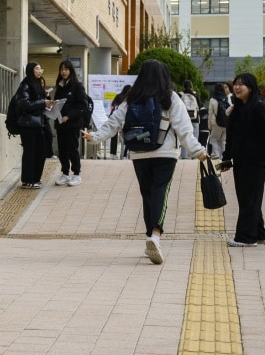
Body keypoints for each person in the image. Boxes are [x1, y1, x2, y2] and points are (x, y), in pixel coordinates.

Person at [83, 60, 207, 265]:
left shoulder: (133, 98)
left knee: (147, 194)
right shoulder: (170, 97)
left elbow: (113, 123)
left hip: (139, 154)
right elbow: (184, 128)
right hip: (165, 153)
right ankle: (155, 236)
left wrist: (94, 137)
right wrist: (198, 151)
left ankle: (151, 235)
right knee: (160, 192)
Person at [218, 72, 265, 247]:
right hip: (241, 160)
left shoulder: (259, 107)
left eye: (242, 85)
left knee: (249, 199)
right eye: (236, 84)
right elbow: (231, 138)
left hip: (256, 161)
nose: (237, 87)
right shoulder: (237, 109)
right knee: (248, 198)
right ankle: (259, 233)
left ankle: (246, 237)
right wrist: (226, 159)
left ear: (251, 88)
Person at [14, 62, 53, 188]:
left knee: (41, 152)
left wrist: (46, 100)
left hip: (38, 124)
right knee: (30, 152)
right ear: (31, 70)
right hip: (28, 124)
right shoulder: (25, 85)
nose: (40, 70)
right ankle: (27, 180)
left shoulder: (37, 84)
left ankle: (35, 178)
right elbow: (24, 104)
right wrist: (43, 103)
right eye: (37, 68)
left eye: (40, 68)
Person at [53, 58, 87, 186]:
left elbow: (82, 106)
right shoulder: (60, 86)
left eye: (66, 69)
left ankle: (76, 174)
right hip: (60, 123)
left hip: (72, 124)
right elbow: (58, 104)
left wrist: (69, 116)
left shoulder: (77, 86)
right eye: (61, 69)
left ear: (71, 70)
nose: (63, 72)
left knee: (72, 148)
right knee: (62, 150)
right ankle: (65, 173)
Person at [207, 82, 230, 159]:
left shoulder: (213, 99)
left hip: (216, 123)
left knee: (214, 138)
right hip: (226, 122)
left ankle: (216, 154)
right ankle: (223, 156)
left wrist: (209, 126)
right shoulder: (226, 98)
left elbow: (210, 113)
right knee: (223, 140)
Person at [109, 84, 132, 158]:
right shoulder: (128, 98)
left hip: (115, 117)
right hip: (125, 119)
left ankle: (113, 154)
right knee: (126, 137)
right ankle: (124, 154)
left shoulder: (118, 96)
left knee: (114, 136)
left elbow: (113, 106)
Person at [179, 80, 200, 159]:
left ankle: (184, 156)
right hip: (195, 119)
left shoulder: (180, 94)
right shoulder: (195, 94)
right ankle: (194, 155)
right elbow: (200, 106)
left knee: (184, 137)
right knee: (194, 138)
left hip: (184, 119)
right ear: (192, 86)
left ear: (183, 86)